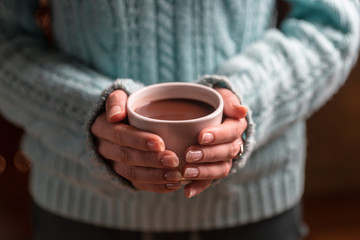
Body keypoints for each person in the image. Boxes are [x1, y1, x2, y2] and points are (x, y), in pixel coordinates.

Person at [0, 0, 359, 239]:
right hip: (77, 211)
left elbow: (333, 24)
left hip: (255, 207)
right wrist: (84, 113)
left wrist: (246, 105)